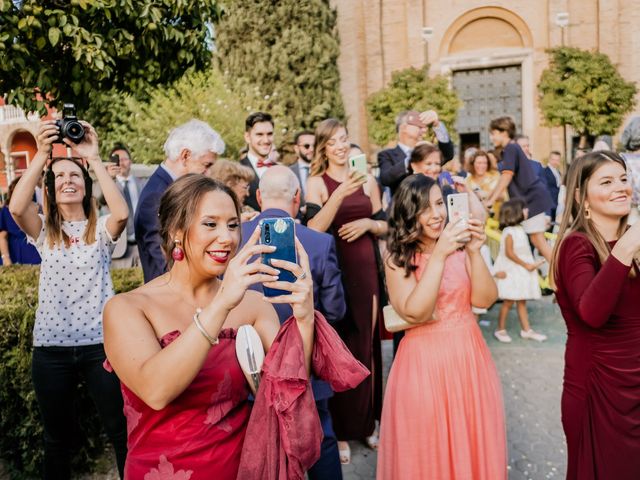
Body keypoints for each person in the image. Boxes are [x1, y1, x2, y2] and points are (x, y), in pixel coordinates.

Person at [104, 174, 318, 478]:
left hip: (243, 467)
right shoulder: (128, 308)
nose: (227, 238)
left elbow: (291, 388)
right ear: (177, 231)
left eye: (233, 225)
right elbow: (155, 390)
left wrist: (305, 319)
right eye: (210, 224)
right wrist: (220, 305)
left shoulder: (254, 305)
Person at [9, 120, 129, 478]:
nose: (68, 180)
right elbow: (17, 208)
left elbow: (122, 213)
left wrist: (90, 156)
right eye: (59, 177)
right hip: (51, 351)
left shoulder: (101, 228)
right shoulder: (45, 231)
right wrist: (43, 154)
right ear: (51, 188)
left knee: (120, 433)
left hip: (99, 348)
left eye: (74, 175)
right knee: (57, 441)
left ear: (86, 184)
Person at [377, 173, 506, 479]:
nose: (436, 214)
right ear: (409, 213)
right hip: (423, 365)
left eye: (439, 203)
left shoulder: (461, 250)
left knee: (471, 445)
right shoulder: (397, 258)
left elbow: (485, 299)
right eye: (425, 207)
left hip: (469, 358)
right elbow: (416, 312)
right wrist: (439, 255)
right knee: (427, 451)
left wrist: (474, 251)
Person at [241, 165, 346, 480]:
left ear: (259, 197)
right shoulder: (319, 242)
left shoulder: (236, 239)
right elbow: (336, 309)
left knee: (259, 445)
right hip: (304, 363)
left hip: (250, 365)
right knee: (321, 441)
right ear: (297, 198)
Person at [550, 151, 640, 480]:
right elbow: (592, 313)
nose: (620, 187)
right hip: (599, 389)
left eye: (623, 178)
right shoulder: (577, 245)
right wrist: (626, 248)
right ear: (580, 196)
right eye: (606, 181)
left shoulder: (631, 240)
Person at [305, 118, 387, 463]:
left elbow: (386, 224)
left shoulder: (368, 179)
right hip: (335, 273)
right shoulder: (315, 183)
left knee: (367, 348)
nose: (340, 146)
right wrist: (340, 192)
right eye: (333, 141)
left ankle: (367, 424)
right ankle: (338, 431)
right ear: (323, 147)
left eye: (344, 139)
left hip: (366, 268)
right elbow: (313, 227)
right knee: (339, 350)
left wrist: (370, 223)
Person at [135, 119, 224, 282]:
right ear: (185, 156)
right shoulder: (156, 196)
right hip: (168, 296)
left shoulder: (172, 188)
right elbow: (164, 262)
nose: (209, 172)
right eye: (206, 164)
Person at [484, 116, 553, 261]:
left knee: (540, 243)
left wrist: (490, 201)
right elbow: (504, 178)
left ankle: (561, 278)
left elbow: (506, 177)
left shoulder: (511, 148)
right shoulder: (510, 149)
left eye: (493, 133)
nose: (491, 138)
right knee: (536, 241)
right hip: (531, 199)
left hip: (532, 199)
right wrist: (489, 196)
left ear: (503, 132)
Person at [492, 199, 547, 343]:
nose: (527, 211)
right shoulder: (509, 231)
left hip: (520, 271)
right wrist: (526, 265)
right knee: (509, 301)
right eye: (524, 209)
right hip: (513, 271)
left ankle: (526, 329)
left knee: (521, 301)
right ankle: (500, 329)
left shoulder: (520, 229)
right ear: (515, 212)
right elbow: (509, 253)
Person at [378, 110, 455, 195]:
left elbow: (448, 154)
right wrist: (414, 156)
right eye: (419, 126)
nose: (424, 130)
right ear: (403, 127)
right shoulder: (386, 155)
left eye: (425, 127)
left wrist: (437, 124)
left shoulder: (428, 150)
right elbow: (385, 179)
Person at [106, 144, 146, 268]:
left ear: (130, 161)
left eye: (125, 159)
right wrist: (109, 179)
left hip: (142, 245)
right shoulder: (107, 185)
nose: (122, 163)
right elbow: (101, 200)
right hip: (120, 247)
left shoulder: (143, 183)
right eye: (118, 160)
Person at [239, 112, 276, 211]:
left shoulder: (282, 170)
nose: (266, 140)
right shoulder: (237, 171)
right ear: (247, 137)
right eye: (259, 134)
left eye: (270, 134)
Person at [0, 177, 41, 265]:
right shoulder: (6, 211)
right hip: (15, 252)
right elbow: (3, 236)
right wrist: (5, 257)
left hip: (36, 251)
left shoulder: (38, 208)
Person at [465, 149, 503, 214]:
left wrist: (485, 194)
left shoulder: (496, 176)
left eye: (484, 163)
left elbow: (503, 195)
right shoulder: (468, 180)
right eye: (479, 163)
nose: (482, 166)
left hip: (497, 216)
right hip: (477, 217)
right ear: (473, 164)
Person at [290, 130, 315, 206]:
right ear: (296, 149)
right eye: (306, 146)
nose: (312, 149)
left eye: (314, 145)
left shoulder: (326, 169)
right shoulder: (288, 172)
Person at [541, 150, 562, 224]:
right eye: (553, 159)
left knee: (553, 225)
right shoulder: (544, 171)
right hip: (549, 203)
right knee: (548, 226)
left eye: (557, 160)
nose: (555, 162)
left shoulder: (558, 172)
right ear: (549, 159)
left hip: (556, 203)